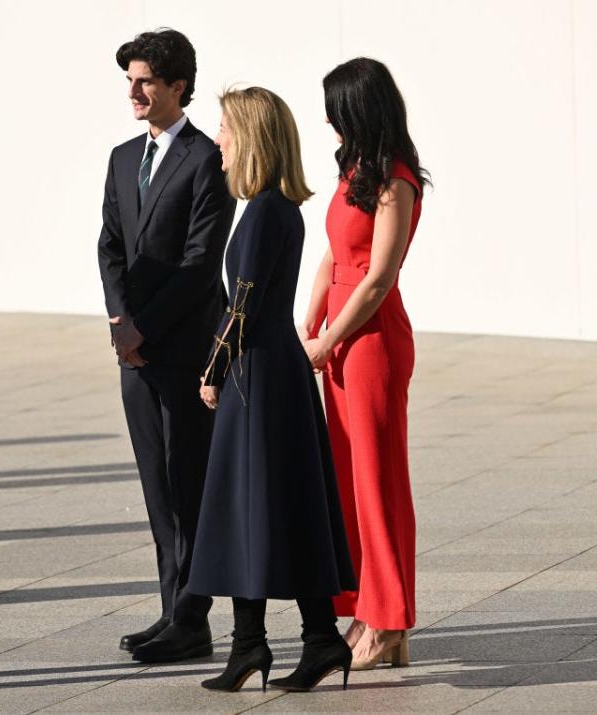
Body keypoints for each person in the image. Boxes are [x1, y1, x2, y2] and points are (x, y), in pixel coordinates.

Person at [189, 87, 356, 693]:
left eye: (226, 131)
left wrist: (211, 369)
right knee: (283, 503)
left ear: (251, 138)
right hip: (272, 373)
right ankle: (309, 641)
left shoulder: (262, 211)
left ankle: (255, 646)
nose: (218, 143)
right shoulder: (275, 207)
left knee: (248, 504)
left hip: (257, 375)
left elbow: (244, 304)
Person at [97, 28, 236, 663]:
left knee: (188, 486)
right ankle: (172, 611)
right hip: (136, 353)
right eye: (130, 79)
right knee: (157, 488)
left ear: (178, 85)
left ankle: (193, 615)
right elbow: (110, 247)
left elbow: (200, 264)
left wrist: (144, 329)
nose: (134, 90)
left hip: (181, 351)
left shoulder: (207, 159)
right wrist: (122, 323)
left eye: (146, 80)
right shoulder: (124, 157)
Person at [300, 57, 429, 670]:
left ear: (359, 108)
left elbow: (378, 278)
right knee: (350, 484)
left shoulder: (396, 179)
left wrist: (329, 341)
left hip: (372, 340)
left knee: (378, 485)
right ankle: (370, 614)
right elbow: (335, 252)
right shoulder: (357, 170)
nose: (327, 117)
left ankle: (387, 621)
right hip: (341, 335)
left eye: (335, 107)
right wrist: (310, 317)